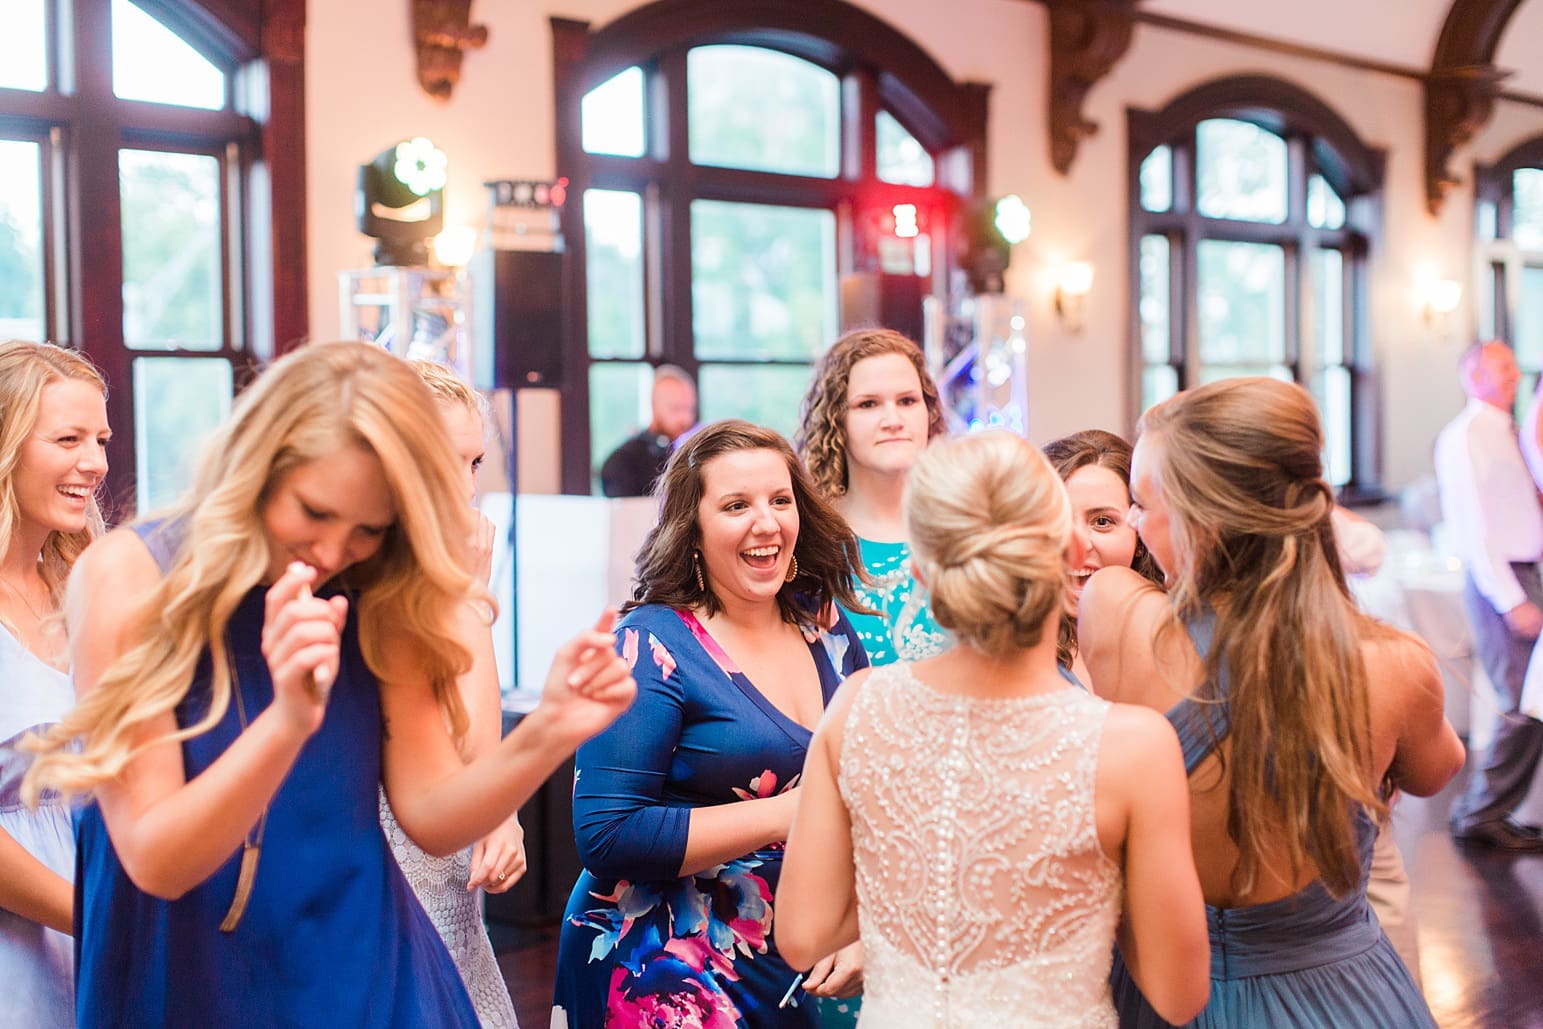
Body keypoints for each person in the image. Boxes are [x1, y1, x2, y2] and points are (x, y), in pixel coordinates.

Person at [22, 341, 635, 1027]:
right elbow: (158, 858)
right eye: (314, 512)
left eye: (368, 528)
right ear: (257, 466)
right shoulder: (132, 575)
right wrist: (286, 724)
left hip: (361, 967)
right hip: (191, 973)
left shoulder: (377, 580)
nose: (332, 551)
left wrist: (549, 732)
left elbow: (432, 815)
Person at [777, 430, 1209, 1027]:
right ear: (1068, 550)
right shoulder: (1133, 746)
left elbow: (802, 934)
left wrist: (912, 892)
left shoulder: (857, 707)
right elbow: (1178, 994)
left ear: (921, 569)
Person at [1081, 376, 1465, 1026]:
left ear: (1205, 517)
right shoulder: (1394, 663)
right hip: (1342, 997)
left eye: (1142, 504)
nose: (1136, 526)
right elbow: (1434, 771)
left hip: (1165, 991)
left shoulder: (1114, 610)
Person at [553, 419, 870, 1028]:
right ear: (692, 529)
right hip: (659, 967)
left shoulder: (822, 625)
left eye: (780, 500)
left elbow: (868, 787)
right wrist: (796, 810)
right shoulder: (650, 644)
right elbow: (607, 833)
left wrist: (856, 921)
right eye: (736, 505)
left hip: (783, 955)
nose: (766, 522)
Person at [377, 360, 521, 1028]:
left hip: (452, 886)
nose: (465, 487)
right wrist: (469, 598)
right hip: (388, 878)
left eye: (475, 462)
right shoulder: (368, 581)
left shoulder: (447, 572)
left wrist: (500, 815)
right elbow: (464, 743)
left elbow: (478, 751)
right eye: (446, 460)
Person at [0, 341, 109, 1028]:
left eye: (100, 439)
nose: (94, 462)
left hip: (98, 932)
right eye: (68, 439)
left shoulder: (87, 589)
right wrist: (101, 918)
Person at [1434, 340, 1543, 852]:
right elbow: (1473, 525)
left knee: (1534, 699)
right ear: (1473, 376)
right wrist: (1511, 598)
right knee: (1520, 702)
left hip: (1526, 572)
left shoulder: (1508, 430)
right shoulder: (1466, 436)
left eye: (1515, 366)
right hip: (1500, 580)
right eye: (1503, 367)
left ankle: (1494, 810)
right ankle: (1480, 813)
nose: (1515, 375)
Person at [797, 328, 949, 665]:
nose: (893, 420)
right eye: (868, 404)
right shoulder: (807, 542)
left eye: (907, 401)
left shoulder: (970, 529)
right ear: (835, 420)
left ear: (929, 411)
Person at [1042, 429, 1162, 686]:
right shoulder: (1008, 648)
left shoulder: (1179, 637)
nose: (1077, 544)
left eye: (1102, 522)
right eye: (1057, 520)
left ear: (1139, 535)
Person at [599, 364, 697, 497]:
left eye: (690, 409)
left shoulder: (688, 456)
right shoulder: (623, 461)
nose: (685, 418)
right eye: (676, 408)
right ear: (654, 405)